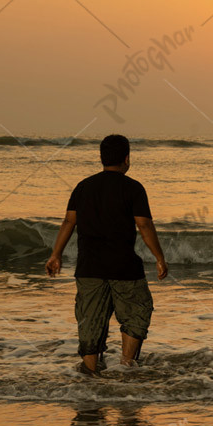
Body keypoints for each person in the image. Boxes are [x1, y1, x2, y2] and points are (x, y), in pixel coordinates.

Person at [45, 134, 169, 377]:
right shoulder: (133, 188)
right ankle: (126, 367)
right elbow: (144, 226)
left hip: (89, 267)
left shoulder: (83, 186)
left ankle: (90, 376)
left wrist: (55, 254)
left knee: (90, 321)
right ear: (126, 159)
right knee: (137, 312)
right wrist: (160, 258)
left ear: (102, 158)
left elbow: (69, 221)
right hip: (124, 267)